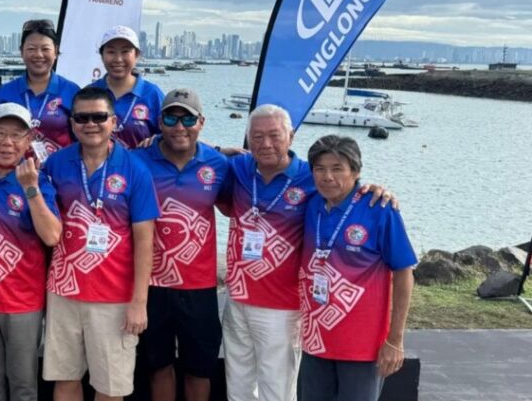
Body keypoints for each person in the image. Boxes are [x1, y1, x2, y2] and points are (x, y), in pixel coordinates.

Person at [221, 105, 396, 401]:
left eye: (275, 136)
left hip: (283, 306)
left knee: (276, 390)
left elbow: (345, 189)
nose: (265, 144)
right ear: (248, 139)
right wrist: (220, 147)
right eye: (257, 136)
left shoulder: (311, 177)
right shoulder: (239, 168)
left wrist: (377, 190)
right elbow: (194, 150)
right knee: (237, 386)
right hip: (236, 299)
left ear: (291, 136)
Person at [41, 86, 159, 401]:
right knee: (64, 379)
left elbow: (145, 241)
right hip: (64, 292)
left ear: (114, 121)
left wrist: (139, 302)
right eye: (82, 117)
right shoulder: (56, 164)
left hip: (114, 299)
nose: (90, 124)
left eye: (99, 117)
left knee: (110, 388)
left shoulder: (135, 170)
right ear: (72, 122)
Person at [298, 135, 416, 401]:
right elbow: (272, 162)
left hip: (362, 348)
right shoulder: (312, 203)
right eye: (320, 168)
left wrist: (395, 340)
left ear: (356, 172)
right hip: (315, 340)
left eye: (337, 168)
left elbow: (404, 274)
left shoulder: (380, 208)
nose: (328, 176)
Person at [0, 103, 62, 401]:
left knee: (23, 387)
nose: (7, 142)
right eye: (0, 133)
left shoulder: (38, 178)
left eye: (16, 135)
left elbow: (52, 235)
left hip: (23, 303)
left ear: (29, 139)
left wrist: (30, 188)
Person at [130, 89, 229, 401]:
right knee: (157, 367)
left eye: (188, 117)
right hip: (151, 285)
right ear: (159, 122)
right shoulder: (137, 161)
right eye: (171, 117)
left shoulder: (220, 164)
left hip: (199, 287)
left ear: (201, 122)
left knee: (199, 370)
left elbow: (259, 191)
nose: (179, 125)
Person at [0, 19, 80, 158]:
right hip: (14, 174)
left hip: (59, 174)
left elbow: (81, 138)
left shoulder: (71, 91)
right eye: (31, 49)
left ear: (55, 51)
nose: (39, 55)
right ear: (22, 52)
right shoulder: (6, 92)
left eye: (45, 49)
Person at [88, 25, 165, 149]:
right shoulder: (89, 93)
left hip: (140, 167)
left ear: (137, 55)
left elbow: (169, 134)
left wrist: (157, 140)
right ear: (102, 56)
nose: (118, 59)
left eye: (125, 51)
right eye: (111, 52)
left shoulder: (153, 94)